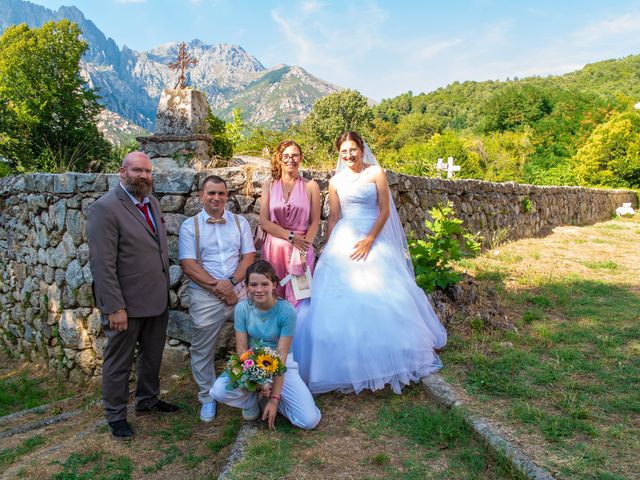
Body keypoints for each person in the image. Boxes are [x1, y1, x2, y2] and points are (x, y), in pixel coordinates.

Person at [294, 132, 448, 395]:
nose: (349, 155)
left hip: (372, 235)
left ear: (361, 149)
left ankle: (390, 355)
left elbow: (385, 210)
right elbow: (334, 217)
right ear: (339, 153)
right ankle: (344, 361)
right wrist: (329, 245)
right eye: (344, 151)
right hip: (344, 238)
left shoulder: (376, 172)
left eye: (353, 149)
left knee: (383, 294)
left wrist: (369, 240)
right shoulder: (335, 181)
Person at [87, 151, 179, 440]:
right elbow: (102, 264)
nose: (144, 176)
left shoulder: (152, 203)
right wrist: (114, 306)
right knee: (119, 362)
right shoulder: (106, 208)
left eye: (148, 171)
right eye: (137, 170)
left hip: (155, 299)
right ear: (122, 172)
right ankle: (115, 416)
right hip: (125, 304)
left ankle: (147, 400)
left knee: (152, 356)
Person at [179, 175, 255, 423]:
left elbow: (248, 257)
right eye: (211, 193)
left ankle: (250, 389)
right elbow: (189, 265)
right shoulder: (190, 226)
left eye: (221, 193)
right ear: (202, 195)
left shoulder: (239, 222)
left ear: (227, 196)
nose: (216, 198)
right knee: (202, 349)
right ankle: (207, 396)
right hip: (206, 294)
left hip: (239, 290)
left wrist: (232, 283)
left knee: (254, 337)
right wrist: (219, 288)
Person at [211, 260, 321, 430]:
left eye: (264, 284)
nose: (259, 289)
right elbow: (242, 351)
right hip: (252, 361)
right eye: (253, 284)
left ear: (274, 284)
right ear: (246, 286)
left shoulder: (286, 311)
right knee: (219, 390)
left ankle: (274, 399)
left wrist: (274, 399)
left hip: (281, 364)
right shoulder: (242, 309)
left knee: (309, 421)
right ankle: (254, 400)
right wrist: (257, 381)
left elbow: (281, 357)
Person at [259, 140, 320, 304]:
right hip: (274, 251)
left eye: (295, 155)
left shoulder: (311, 186)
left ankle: (298, 330)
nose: (290, 159)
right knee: (273, 297)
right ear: (279, 158)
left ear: (301, 158)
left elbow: (315, 222)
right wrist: (290, 236)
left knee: (300, 298)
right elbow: (264, 222)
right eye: (286, 156)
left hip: (300, 249)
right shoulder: (269, 185)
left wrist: (303, 250)